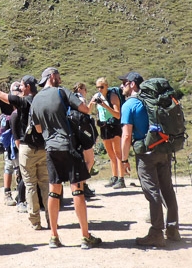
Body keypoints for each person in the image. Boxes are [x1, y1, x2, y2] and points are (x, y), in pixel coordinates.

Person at [30, 67, 102, 249]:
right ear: (52, 77)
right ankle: (85, 237)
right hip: (68, 146)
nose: (60, 79)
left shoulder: (36, 99)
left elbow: (38, 129)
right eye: (58, 76)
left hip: (50, 149)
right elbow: (85, 109)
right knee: (77, 189)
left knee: (54, 191)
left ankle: (54, 236)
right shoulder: (62, 92)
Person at [0, 74, 45, 228]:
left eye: (21, 85)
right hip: (44, 147)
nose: (19, 88)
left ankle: (35, 221)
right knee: (45, 183)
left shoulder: (21, 102)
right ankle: (53, 218)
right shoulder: (42, 99)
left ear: (26, 87)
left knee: (29, 183)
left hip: (27, 146)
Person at [119, 72, 180, 247]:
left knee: (151, 192)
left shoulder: (130, 104)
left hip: (146, 154)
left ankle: (156, 233)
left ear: (132, 84)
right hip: (164, 150)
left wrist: (124, 160)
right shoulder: (153, 101)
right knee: (167, 189)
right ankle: (173, 229)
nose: (122, 87)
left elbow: (126, 135)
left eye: (124, 83)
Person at [90, 77, 125, 189]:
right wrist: (92, 102)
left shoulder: (113, 96)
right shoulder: (98, 96)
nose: (99, 89)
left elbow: (117, 114)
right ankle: (114, 176)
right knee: (110, 154)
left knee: (118, 153)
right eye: (97, 87)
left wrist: (104, 105)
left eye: (101, 87)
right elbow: (89, 109)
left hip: (114, 126)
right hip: (104, 127)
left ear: (106, 86)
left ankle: (121, 178)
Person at [71, 82, 98, 199]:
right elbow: (87, 110)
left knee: (83, 161)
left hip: (75, 134)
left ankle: (82, 184)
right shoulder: (79, 98)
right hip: (83, 134)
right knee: (90, 160)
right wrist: (92, 101)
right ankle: (83, 184)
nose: (85, 92)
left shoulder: (71, 100)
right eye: (85, 89)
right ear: (81, 89)